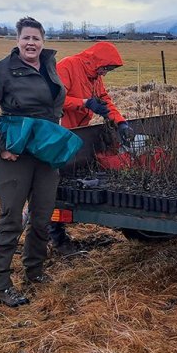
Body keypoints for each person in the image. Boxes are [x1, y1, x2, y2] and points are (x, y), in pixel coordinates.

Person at [0, 17, 67, 308]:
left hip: (45, 152)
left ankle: (35, 270)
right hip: (16, 154)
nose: (31, 43)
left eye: (36, 38)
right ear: (17, 40)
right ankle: (1, 283)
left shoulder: (49, 65)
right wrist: (0, 148)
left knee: (42, 216)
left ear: (43, 41)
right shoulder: (2, 70)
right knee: (12, 218)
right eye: (26, 38)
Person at [49, 41, 135, 254]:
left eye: (109, 70)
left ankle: (54, 233)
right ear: (96, 61)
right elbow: (54, 100)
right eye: (105, 68)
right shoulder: (68, 66)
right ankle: (55, 239)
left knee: (63, 180)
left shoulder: (95, 77)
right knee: (51, 184)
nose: (105, 73)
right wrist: (85, 103)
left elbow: (104, 100)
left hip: (78, 132)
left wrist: (121, 122)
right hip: (58, 131)